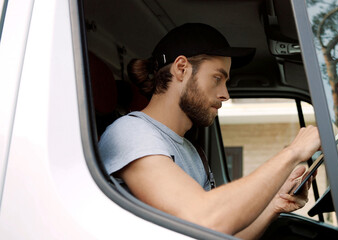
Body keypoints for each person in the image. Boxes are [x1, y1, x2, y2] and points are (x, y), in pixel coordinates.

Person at [98, 23, 321, 239]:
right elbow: (204, 219)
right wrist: (293, 152)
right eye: (217, 78)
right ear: (181, 69)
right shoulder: (131, 132)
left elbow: (212, 235)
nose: (225, 94)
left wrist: (275, 205)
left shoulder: (192, 152)